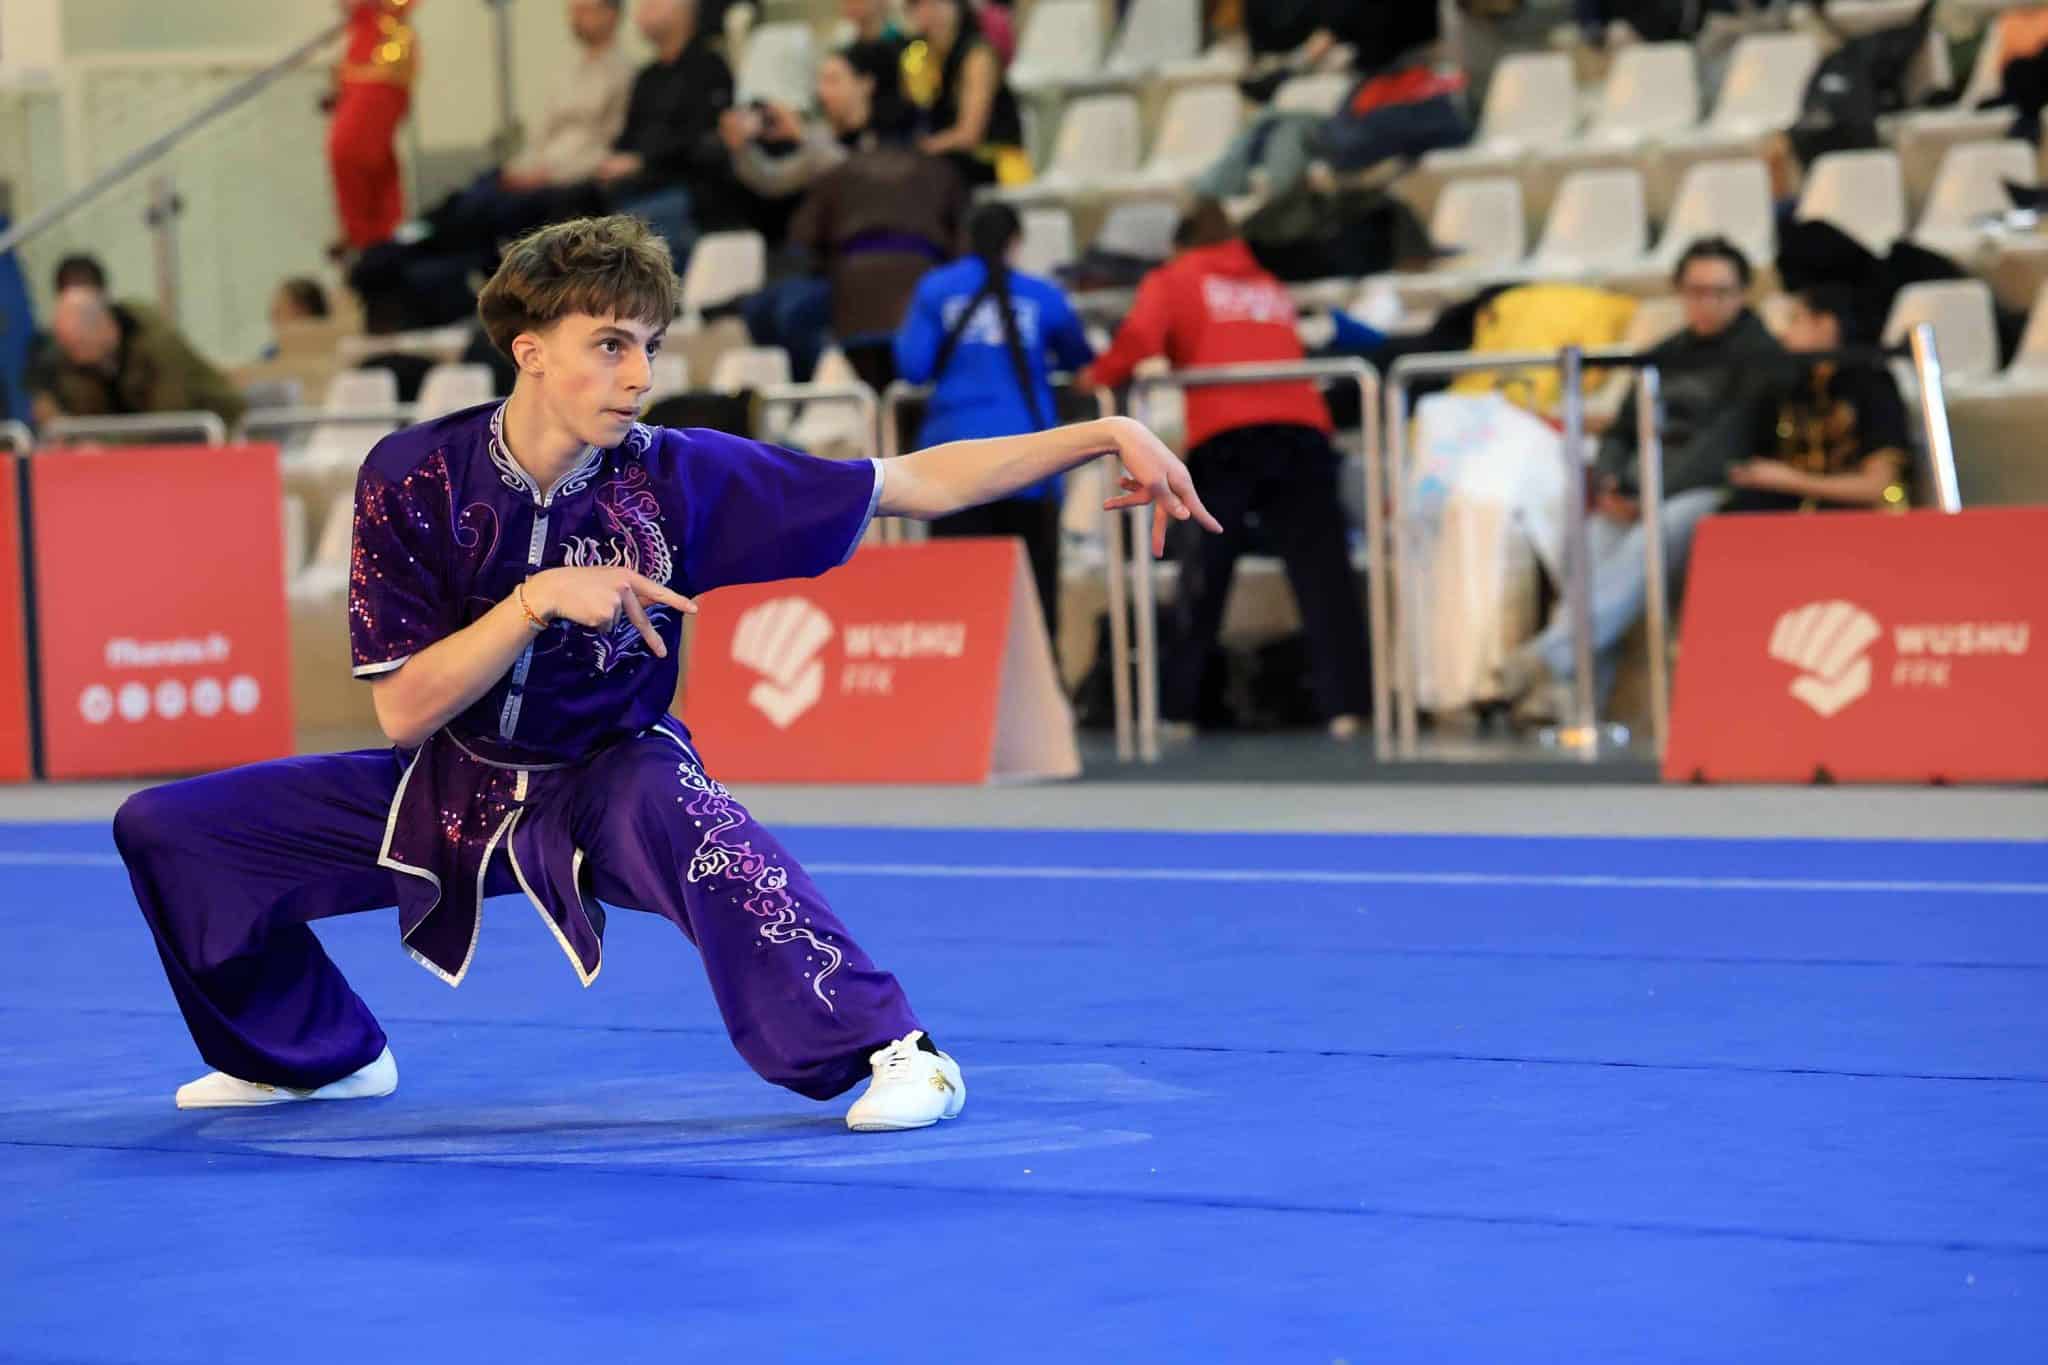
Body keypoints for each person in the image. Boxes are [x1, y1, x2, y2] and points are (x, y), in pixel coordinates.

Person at [113, 213, 1216, 1132]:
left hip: (608, 779)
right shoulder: (411, 475)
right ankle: (314, 1055)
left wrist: (1101, 431)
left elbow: (908, 482)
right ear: (528, 350)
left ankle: (895, 1049)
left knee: (698, 820)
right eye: (608, 344)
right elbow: (403, 711)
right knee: (171, 831)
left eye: (648, 345)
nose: (639, 375)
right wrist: (537, 600)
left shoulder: (679, 478)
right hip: (447, 781)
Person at [1082, 201, 1372, 739]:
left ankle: (1178, 711)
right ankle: (1348, 708)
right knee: (1324, 577)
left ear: (1180, 244)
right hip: (1301, 428)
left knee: (1204, 575)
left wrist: (1092, 379)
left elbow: (1139, 342)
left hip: (1227, 432)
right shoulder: (1267, 283)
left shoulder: (1175, 277)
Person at [1499, 237, 1785, 716]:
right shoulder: (1665, 353)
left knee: (1649, 540)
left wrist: (1648, 494)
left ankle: (1547, 658)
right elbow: (1621, 431)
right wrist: (1611, 480)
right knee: (1587, 545)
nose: (1708, 303)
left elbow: (1723, 446)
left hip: (1708, 492)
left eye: (1720, 292)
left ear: (1742, 294)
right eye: (1696, 291)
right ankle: (1574, 699)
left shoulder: (1759, 358)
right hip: (1638, 490)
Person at [896, 203, 1095, 643]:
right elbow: (1080, 360)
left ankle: (960, 686)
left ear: (966, 238)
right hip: (1030, 463)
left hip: (952, 465)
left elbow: (913, 366)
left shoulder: (936, 289)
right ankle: (1039, 686)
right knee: (1032, 604)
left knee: (956, 605)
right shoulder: (1042, 295)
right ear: (1015, 242)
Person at [726, 41, 912, 381]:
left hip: (875, 266)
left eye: (833, 80)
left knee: (794, 310)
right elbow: (775, 180)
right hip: (824, 266)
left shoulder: (895, 132)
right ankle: (802, 391)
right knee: (758, 310)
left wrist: (804, 136)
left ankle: (827, 390)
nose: (823, 91)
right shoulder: (823, 138)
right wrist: (742, 148)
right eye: (821, 81)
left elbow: (862, 177)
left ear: (865, 84)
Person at [1725, 283, 1911, 514]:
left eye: (1795, 320)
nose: (1784, 334)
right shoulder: (1788, 385)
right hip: (1796, 518)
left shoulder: (1873, 385)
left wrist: (1789, 481)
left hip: (1864, 520)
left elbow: (1878, 486)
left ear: (1826, 324)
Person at [597, 0, 738, 262]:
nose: (644, 8)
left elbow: (701, 141)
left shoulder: (710, 68)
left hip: (689, 190)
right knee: (570, 209)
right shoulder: (647, 77)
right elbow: (627, 137)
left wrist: (641, 161)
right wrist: (612, 162)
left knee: (622, 238)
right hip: (637, 187)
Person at [39, 287, 249, 430]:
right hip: (151, 446)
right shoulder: (80, 364)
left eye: (78, 344)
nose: (74, 356)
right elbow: (89, 420)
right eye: (67, 346)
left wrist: (106, 443)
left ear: (105, 328)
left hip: (221, 431)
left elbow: (170, 422)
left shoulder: (159, 346)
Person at [500, 0, 637, 192]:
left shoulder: (624, 75)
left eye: (584, 10)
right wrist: (521, 168)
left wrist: (549, 175)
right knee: (476, 194)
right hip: (537, 169)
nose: (575, 18)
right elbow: (542, 131)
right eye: (573, 11)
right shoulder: (566, 71)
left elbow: (608, 144)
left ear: (610, 15)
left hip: (574, 180)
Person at [900, 0, 1029, 188]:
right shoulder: (918, 56)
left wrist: (922, 148)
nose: (930, 12)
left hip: (995, 161)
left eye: (937, 3)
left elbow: (969, 135)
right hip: (950, 160)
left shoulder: (978, 54)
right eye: (920, 5)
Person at [328, 0, 420, 253]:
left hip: (382, 61)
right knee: (373, 160)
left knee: (349, 151)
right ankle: (380, 238)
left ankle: (369, 239)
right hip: (365, 58)